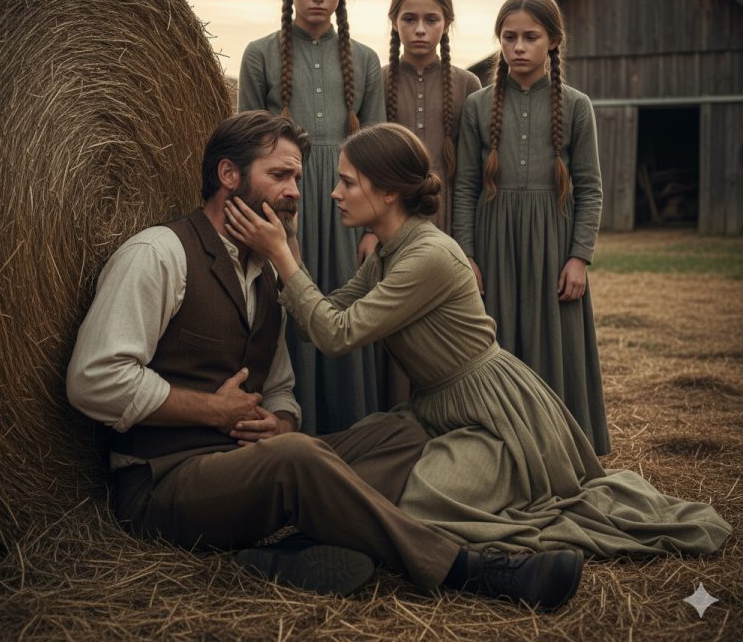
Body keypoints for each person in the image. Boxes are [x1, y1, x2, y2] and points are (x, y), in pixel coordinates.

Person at [66, 110, 584, 608]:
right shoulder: (159, 254)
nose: (298, 191)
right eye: (280, 175)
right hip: (164, 482)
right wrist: (212, 411)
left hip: (243, 467)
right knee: (300, 456)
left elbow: (281, 384)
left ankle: (288, 554)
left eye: (298, 176)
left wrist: (281, 420)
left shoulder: (268, 274)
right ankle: (470, 569)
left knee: (403, 433)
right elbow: (94, 381)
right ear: (228, 174)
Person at [225, 121, 732, 558]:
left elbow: (336, 336)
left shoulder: (428, 256)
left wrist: (282, 259)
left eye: (346, 182)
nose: (333, 194)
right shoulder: (387, 252)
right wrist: (287, 248)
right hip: (437, 410)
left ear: (387, 193)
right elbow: (328, 313)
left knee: (421, 504)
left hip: (493, 419)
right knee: (347, 462)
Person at [452, 0, 610, 455]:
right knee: (498, 343)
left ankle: (560, 448)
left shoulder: (577, 105)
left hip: (553, 244)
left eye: (530, 37)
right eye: (509, 37)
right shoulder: (479, 107)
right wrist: (467, 255)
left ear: (554, 41)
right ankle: (502, 448)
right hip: (494, 240)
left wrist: (580, 258)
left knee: (555, 346)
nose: (518, 47)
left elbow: (591, 187)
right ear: (499, 41)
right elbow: (464, 187)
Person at [238, 0, 385, 434]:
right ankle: (293, 429)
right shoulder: (259, 54)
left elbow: (377, 151)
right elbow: (248, 146)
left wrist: (373, 229)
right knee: (288, 307)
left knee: (344, 307)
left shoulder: (365, 61)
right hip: (286, 201)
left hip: (349, 204)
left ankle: (350, 431)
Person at [384, 0, 482, 235]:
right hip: (390, 212)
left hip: (448, 213)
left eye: (431, 19)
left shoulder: (468, 84)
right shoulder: (376, 80)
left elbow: (472, 173)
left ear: (447, 23)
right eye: (409, 19)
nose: (419, 29)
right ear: (394, 22)